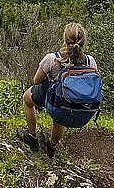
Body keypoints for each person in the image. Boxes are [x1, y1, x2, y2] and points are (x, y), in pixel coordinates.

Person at [17, 22, 98, 158]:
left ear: (65, 40)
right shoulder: (90, 61)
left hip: (54, 99)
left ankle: (32, 137)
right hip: (75, 104)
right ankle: (51, 146)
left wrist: (50, 76)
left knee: (27, 99)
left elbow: (36, 81)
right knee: (60, 115)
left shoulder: (52, 59)